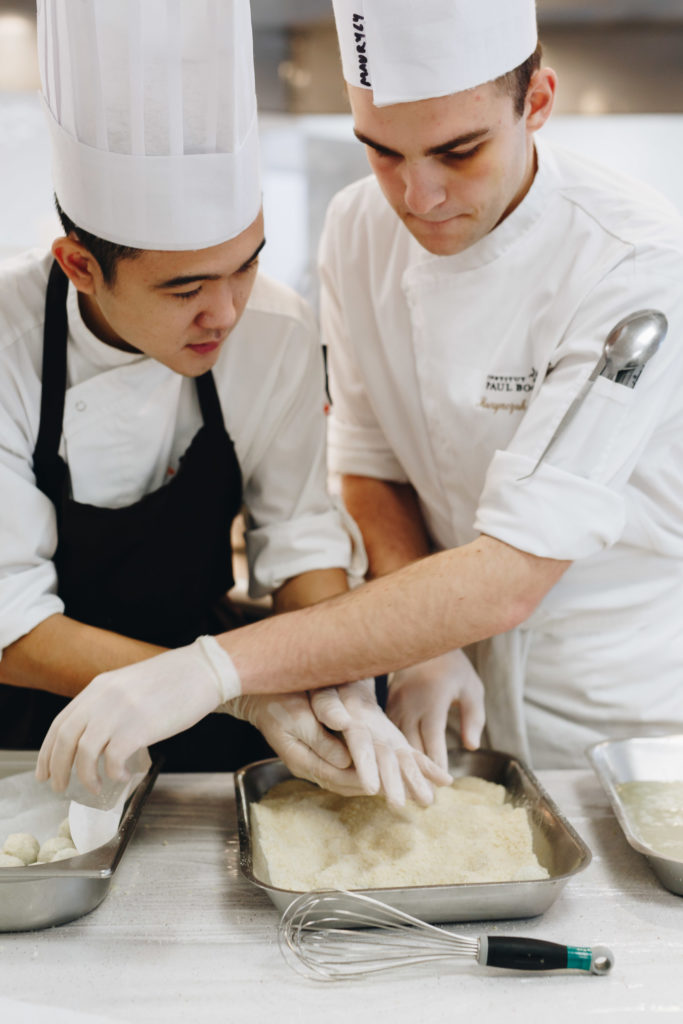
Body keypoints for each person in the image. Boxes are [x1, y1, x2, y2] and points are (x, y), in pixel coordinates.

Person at [37, 0, 683, 792]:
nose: (417, 197)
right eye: (381, 153)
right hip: (443, 684)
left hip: (614, 700)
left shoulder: (635, 265)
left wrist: (212, 672)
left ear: (537, 103)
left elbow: (512, 571)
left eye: (458, 152)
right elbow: (371, 462)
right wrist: (418, 644)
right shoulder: (358, 226)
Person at [3, 0, 452, 804]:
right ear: (78, 266)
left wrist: (332, 682)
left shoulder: (275, 327)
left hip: (206, 706)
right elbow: (9, 621)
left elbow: (300, 534)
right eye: (184, 288)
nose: (227, 311)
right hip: (25, 722)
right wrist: (238, 688)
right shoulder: (3, 343)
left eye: (244, 266)